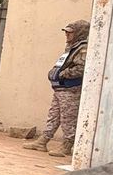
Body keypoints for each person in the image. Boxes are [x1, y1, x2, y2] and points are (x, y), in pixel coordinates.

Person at [25, 20, 90, 158]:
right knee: (53, 115)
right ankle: (43, 140)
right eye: (66, 32)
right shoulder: (71, 47)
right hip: (60, 89)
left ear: (79, 33)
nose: (66, 34)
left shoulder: (82, 48)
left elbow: (81, 68)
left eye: (70, 32)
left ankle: (67, 145)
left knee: (68, 118)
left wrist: (62, 74)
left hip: (71, 89)